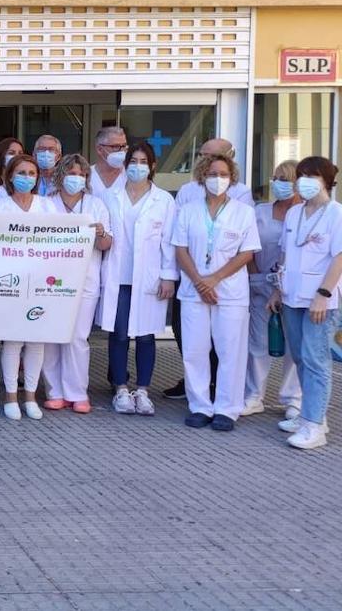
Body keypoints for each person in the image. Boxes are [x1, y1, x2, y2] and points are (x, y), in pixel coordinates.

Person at [172, 153, 260, 431]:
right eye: (212, 174)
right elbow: (180, 249)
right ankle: (199, 406)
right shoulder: (188, 210)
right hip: (194, 290)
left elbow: (247, 253)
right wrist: (200, 281)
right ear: (202, 177)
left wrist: (215, 279)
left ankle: (226, 409)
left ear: (232, 178)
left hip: (230, 293)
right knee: (195, 351)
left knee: (230, 351)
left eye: (223, 174)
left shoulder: (244, 212)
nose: (217, 179)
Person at [100, 142, 176, 417]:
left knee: (146, 335)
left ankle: (142, 390)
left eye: (144, 161)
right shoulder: (111, 196)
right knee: (118, 333)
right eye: (133, 161)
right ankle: (121, 388)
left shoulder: (164, 200)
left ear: (152, 166)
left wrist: (169, 276)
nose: (138, 166)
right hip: (117, 275)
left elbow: (169, 242)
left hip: (149, 278)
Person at [270, 156, 342, 449]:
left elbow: (339, 257)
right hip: (291, 296)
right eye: (301, 176)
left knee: (316, 360)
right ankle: (309, 415)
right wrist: (277, 290)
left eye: (311, 176)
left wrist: (323, 295)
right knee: (299, 356)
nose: (304, 182)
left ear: (326, 180)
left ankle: (314, 427)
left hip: (319, 301)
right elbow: (285, 254)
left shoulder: (336, 214)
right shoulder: (294, 213)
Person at [42, 154, 112, 414]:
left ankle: (77, 392)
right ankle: (54, 391)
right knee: (51, 336)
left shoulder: (96, 205)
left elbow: (107, 245)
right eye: (71, 173)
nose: (76, 178)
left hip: (85, 280)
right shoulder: (46, 204)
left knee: (78, 337)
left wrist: (101, 234)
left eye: (81, 174)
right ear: (61, 174)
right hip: (49, 280)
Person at [0, 153, 51, 420]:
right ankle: (11, 396)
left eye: (32, 174)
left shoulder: (48, 206)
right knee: (13, 340)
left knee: (37, 340)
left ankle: (31, 396)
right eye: (21, 173)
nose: (27, 178)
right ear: (10, 176)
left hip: (42, 282)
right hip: (10, 282)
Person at [243, 160, 302, 419]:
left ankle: (293, 399)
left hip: (294, 290)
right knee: (258, 343)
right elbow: (249, 246)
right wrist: (255, 276)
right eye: (277, 177)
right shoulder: (260, 212)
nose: (279, 183)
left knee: (294, 346)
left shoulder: (304, 214)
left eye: (286, 179)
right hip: (261, 284)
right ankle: (254, 396)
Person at [90, 126, 129, 200]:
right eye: (115, 146)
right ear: (100, 149)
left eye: (124, 146)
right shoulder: (86, 176)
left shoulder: (130, 176)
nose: (121, 151)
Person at [0, 137, 24, 203]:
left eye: (20, 153)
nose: (16, 157)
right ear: (1, 156)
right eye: (11, 153)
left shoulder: (25, 182)